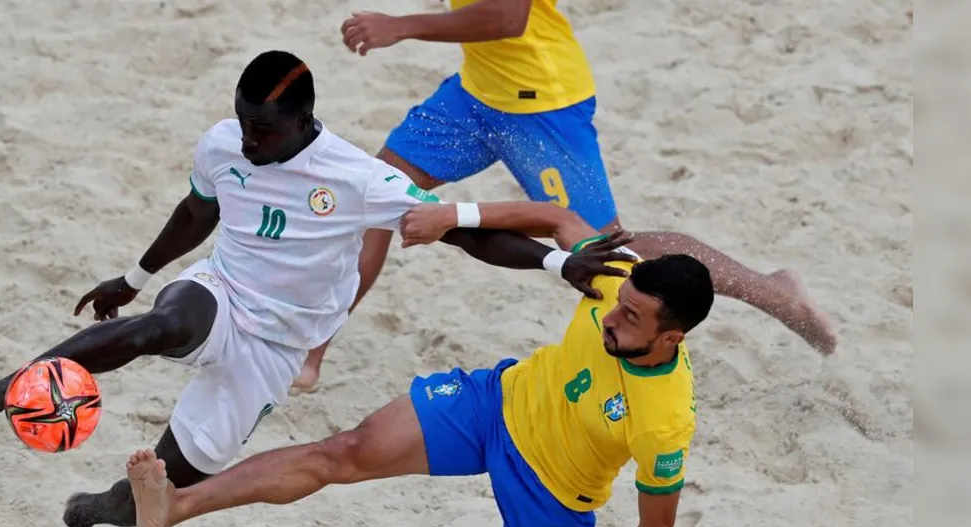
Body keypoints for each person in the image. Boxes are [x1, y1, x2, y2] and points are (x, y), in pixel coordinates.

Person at [0, 50, 631, 527]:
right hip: (221, 293)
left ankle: (78, 519)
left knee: (157, 494)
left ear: (304, 123)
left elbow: (460, 233)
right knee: (156, 326)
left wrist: (552, 265)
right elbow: (195, 214)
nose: (246, 142)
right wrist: (133, 278)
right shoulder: (223, 145)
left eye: (262, 131)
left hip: (273, 350)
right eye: (241, 125)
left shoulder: (357, 178)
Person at [121, 208, 746, 527]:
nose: (611, 316)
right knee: (345, 452)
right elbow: (558, 218)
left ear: (672, 339)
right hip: (497, 405)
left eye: (631, 318)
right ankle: (178, 504)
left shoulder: (664, 419)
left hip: (553, 498)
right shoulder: (618, 277)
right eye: (619, 303)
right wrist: (455, 216)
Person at [292, 0, 837, 390]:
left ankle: (776, 293)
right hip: (475, 94)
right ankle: (312, 349)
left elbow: (509, 17)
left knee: (609, 248)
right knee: (376, 198)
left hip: (541, 106)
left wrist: (400, 25)